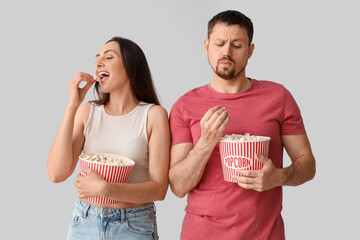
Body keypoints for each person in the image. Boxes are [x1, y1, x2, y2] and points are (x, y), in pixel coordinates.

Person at [169, 10, 316, 240]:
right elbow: (178, 187)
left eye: (237, 45)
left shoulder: (278, 97)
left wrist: (279, 177)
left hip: (265, 234)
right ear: (207, 46)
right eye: (219, 43)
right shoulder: (185, 105)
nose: (226, 52)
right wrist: (205, 143)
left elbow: (307, 164)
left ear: (250, 51)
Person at [47, 37, 170, 240]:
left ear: (131, 67)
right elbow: (56, 173)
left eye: (108, 57)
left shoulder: (154, 115)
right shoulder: (88, 112)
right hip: (84, 221)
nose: (98, 63)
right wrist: (72, 106)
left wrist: (105, 189)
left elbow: (159, 189)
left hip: (134, 225)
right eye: (97, 59)